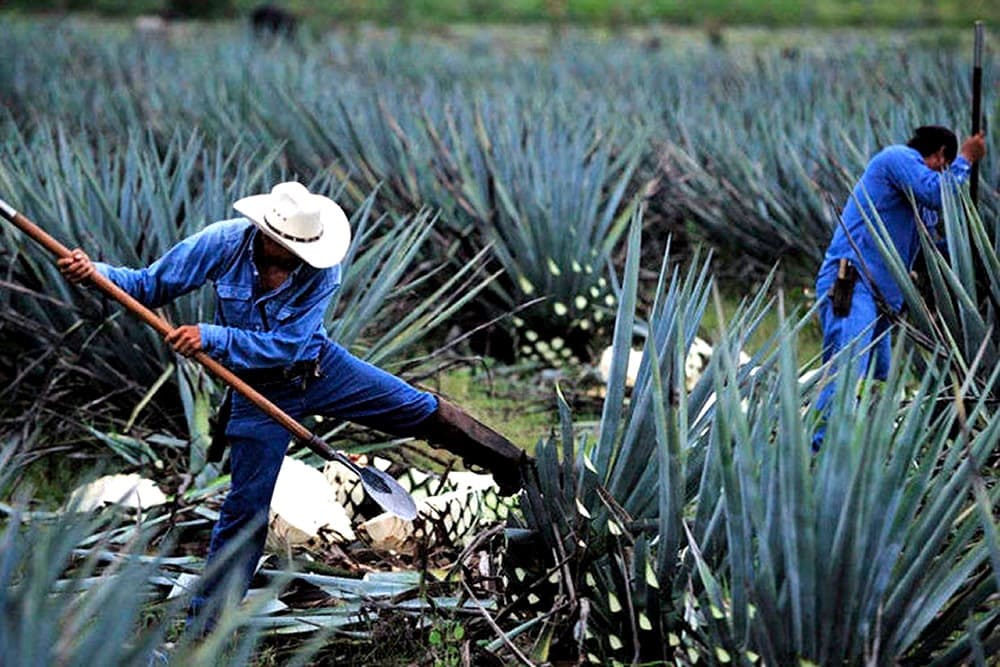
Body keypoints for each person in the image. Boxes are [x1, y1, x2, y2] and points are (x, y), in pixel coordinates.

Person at [58, 181, 530, 626]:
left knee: (418, 408)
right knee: (246, 507)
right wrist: (92, 272)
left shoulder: (322, 268)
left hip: (318, 368)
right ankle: (208, 625)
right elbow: (145, 285)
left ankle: (512, 465)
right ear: (265, 232)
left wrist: (213, 336)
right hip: (256, 393)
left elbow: (288, 344)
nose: (295, 256)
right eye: (286, 247)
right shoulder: (221, 243)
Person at [812, 126, 987, 449]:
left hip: (882, 300)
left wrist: (974, 250)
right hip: (853, 283)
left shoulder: (918, 206)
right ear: (939, 156)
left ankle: (861, 450)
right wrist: (967, 159)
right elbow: (938, 193)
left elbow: (932, 252)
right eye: (946, 168)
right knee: (848, 371)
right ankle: (819, 452)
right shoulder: (897, 159)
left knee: (878, 375)